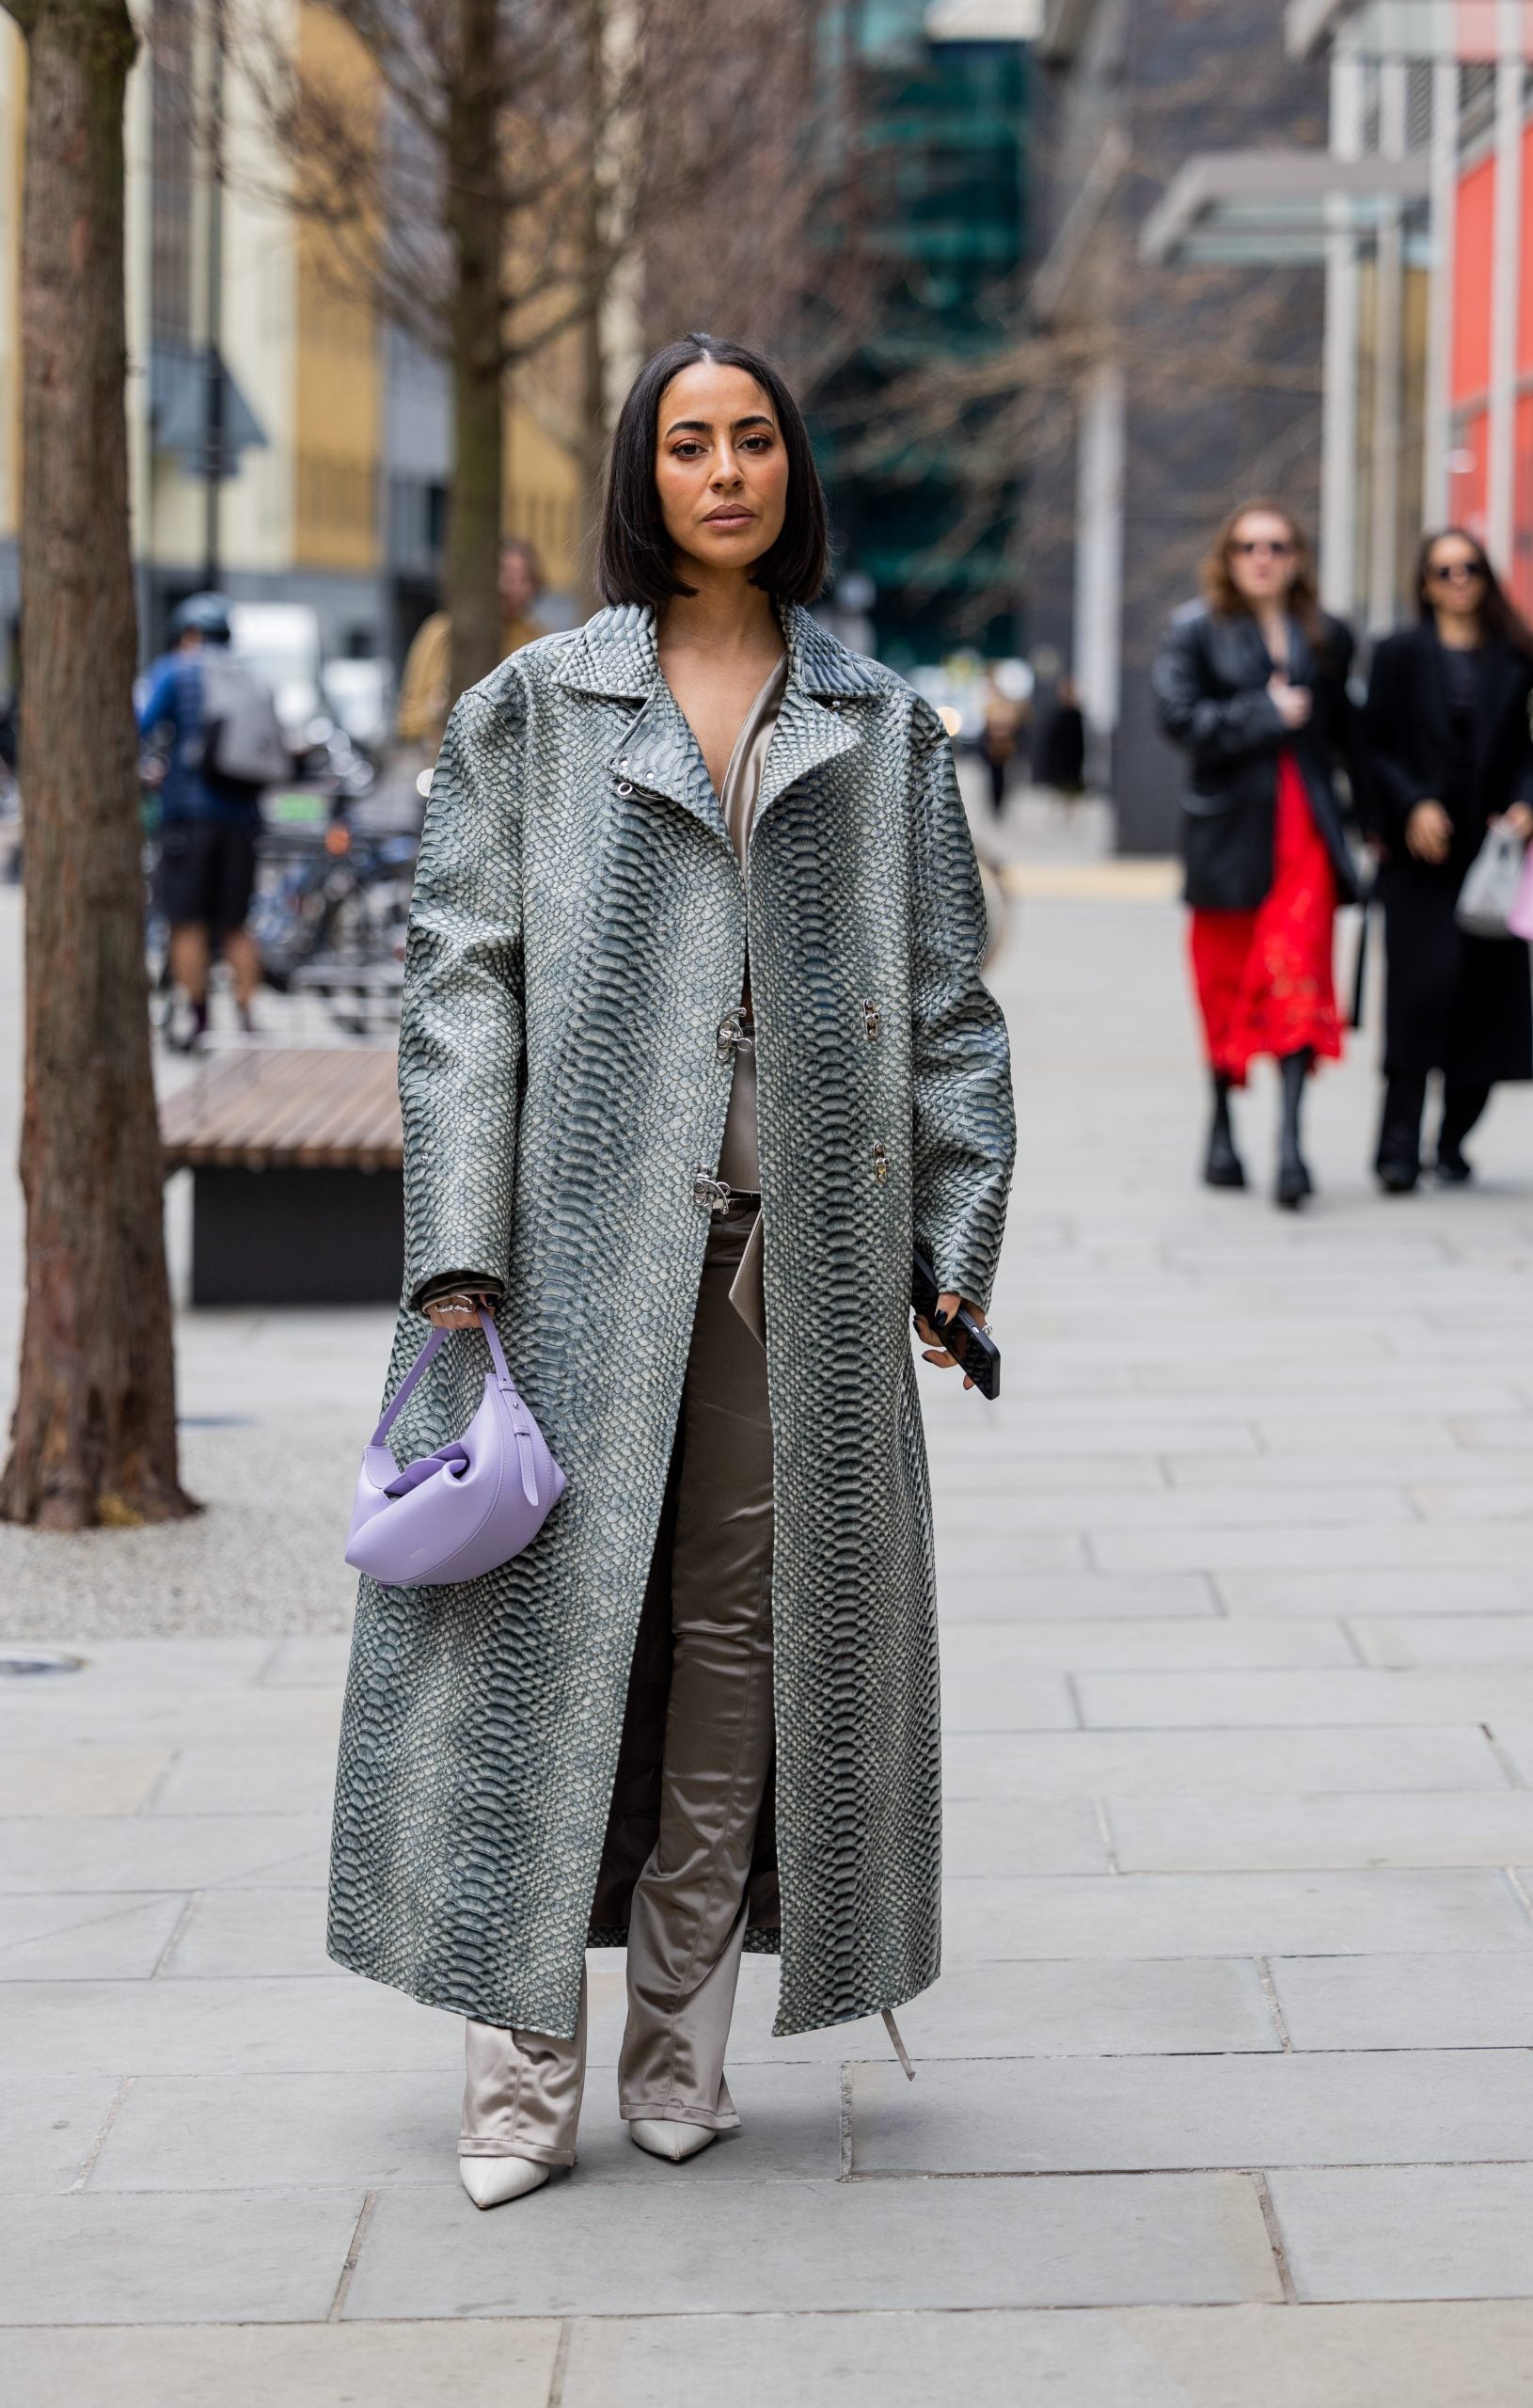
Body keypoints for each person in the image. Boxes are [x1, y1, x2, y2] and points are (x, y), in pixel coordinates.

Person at [326, 333, 1016, 2208]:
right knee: (540, 1632)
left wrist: (952, 1250)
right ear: (645, 471)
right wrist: (457, 1244)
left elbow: (950, 1013)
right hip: (567, 1257)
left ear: (793, 470)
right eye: (690, 442)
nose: (725, 471)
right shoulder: (534, 708)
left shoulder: (880, 723)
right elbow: (460, 985)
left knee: (743, 1640)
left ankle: (677, 2042)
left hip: (798, 1268)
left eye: (754, 439)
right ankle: (517, 2069)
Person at [1152, 499, 1361, 1208]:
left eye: (1276, 545)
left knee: (1298, 975)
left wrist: (1379, 821)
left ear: (1297, 557)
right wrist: (1262, 713)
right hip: (1228, 835)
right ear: (1228, 557)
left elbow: (1347, 736)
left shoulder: (1326, 634)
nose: (1262, 558)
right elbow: (1178, 718)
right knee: (1225, 980)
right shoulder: (1194, 630)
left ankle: (1292, 1142)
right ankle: (1221, 1122)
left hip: (1305, 833)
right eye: (1247, 547)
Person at [1360, 529, 1533, 1191]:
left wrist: (1526, 805)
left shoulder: (1517, 655)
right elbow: (1372, 746)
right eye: (1444, 571)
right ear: (1425, 583)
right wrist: (1410, 805)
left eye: (1470, 569)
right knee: (1417, 997)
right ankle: (1398, 1145)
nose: (1458, 581)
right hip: (1418, 860)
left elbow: (1528, 752)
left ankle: (1455, 1137)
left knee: (1486, 1004)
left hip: (1492, 858)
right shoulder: (1398, 655)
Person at [138, 593, 285, 1049]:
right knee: (236, 924)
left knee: (187, 923)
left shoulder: (177, 671)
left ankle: (200, 1022)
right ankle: (246, 1018)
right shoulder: (253, 678)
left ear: (189, 633)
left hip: (189, 818)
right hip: (243, 819)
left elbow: (140, 724)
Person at [395, 536, 546, 758]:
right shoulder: (442, 633)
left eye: (521, 579)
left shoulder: (538, 641)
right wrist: (435, 710)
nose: (508, 585)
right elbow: (407, 718)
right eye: (505, 575)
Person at [979, 667, 1028, 815]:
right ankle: (995, 805)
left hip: (1004, 747)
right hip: (993, 748)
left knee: (1003, 777)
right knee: (995, 777)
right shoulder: (990, 707)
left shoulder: (1006, 707)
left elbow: (1015, 724)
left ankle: (999, 805)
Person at [1034, 675, 1086, 799]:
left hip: (1070, 766)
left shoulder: (1075, 716)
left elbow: (1079, 745)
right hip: (1059, 767)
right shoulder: (1058, 715)